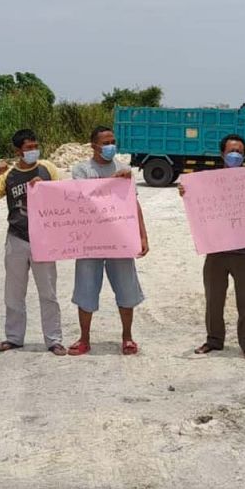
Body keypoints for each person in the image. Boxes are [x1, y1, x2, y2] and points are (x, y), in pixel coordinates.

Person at [67, 126, 150, 356]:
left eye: (113, 141)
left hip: (119, 240)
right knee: (86, 288)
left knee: (126, 288)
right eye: (105, 143)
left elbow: (133, 204)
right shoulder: (81, 170)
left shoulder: (123, 169)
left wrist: (142, 235)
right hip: (89, 241)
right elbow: (83, 198)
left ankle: (127, 337)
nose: (110, 146)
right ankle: (84, 339)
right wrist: (113, 182)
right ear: (93, 145)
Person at [0, 129, 66, 356]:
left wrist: (46, 187)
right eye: (28, 148)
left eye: (34, 146)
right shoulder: (9, 175)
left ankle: (54, 340)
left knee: (48, 292)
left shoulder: (46, 168)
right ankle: (14, 337)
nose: (32, 151)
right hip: (17, 237)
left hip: (44, 239)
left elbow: (64, 194)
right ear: (17, 151)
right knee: (14, 291)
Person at [179, 134, 245, 361]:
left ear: (244, 155)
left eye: (239, 152)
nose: (235, 155)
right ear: (222, 153)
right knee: (214, 298)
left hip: (243, 250)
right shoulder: (209, 180)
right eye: (231, 151)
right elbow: (195, 199)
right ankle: (214, 340)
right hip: (215, 249)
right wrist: (186, 192)